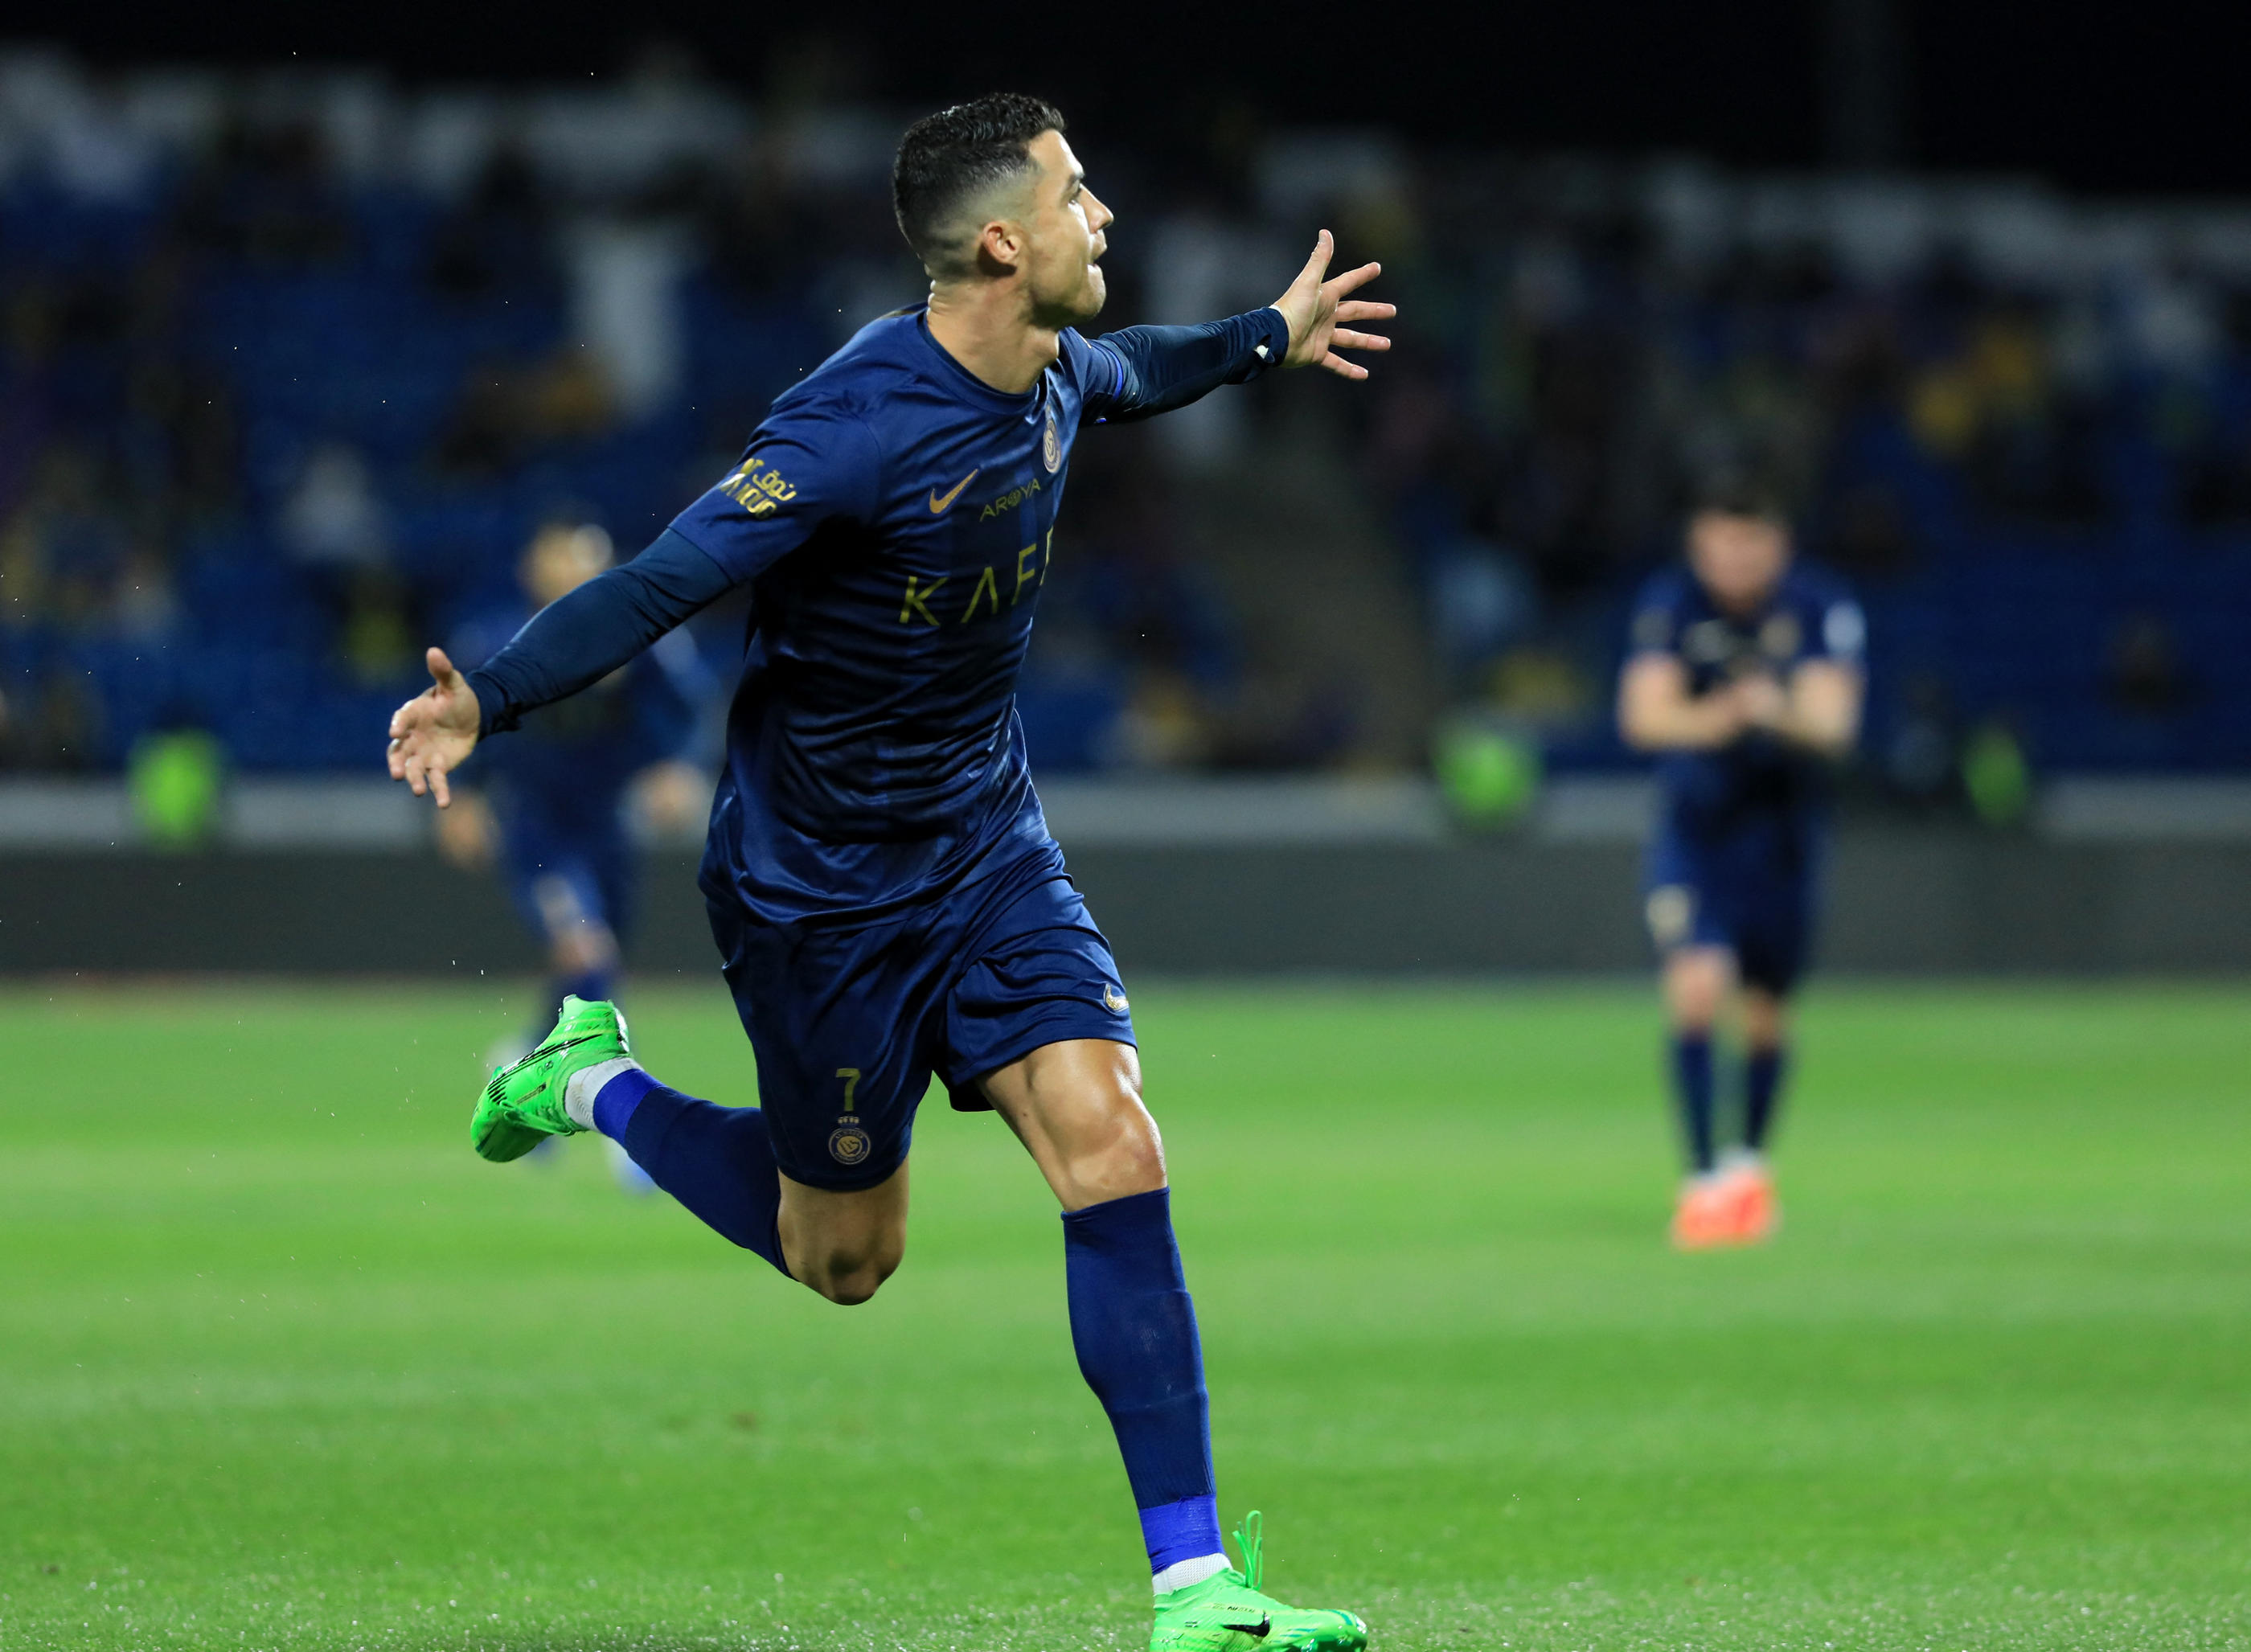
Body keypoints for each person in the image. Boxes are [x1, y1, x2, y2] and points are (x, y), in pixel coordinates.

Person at [387, 94, 1390, 1651]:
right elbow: (662, 575)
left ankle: (1193, 1587)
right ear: (1004, 239)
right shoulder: (851, 425)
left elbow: (1144, 369)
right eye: (1075, 189)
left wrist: (1267, 331)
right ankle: (589, 1080)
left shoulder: (1056, 367)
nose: (1102, 212)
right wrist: (488, 697)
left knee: (1112, 1140)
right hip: (818, 891)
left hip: (987, 845)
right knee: (843, 1255)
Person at [1617, 476, 1865, 1249]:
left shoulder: (1819, 607)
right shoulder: (1671, 606)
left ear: (1778, 543)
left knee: (1765, 1015)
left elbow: (1834, 724)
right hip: (1697, 833)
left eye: (1749, 542)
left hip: (1782, 836)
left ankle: (1749, 1167)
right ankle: (1701, 1182)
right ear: (1699, 542)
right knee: (1696, 984)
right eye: (1720, 542)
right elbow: (1644, 717)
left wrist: (1776, 713)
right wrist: (1725, 715)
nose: (1734, 560)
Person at [436, 515, 711, 1189]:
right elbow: (461, 718)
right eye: (562, 559)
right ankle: (630, 1122)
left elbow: (687, 712)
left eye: (589, 560)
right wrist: (462, 798)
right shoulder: (497, 639)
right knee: (588, 955)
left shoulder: (641, 638)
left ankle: (523, 1065)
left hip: (607, 827)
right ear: (534, 569)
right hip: (536, 827)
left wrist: (679, 767)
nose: (575, 574)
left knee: (592, 966)